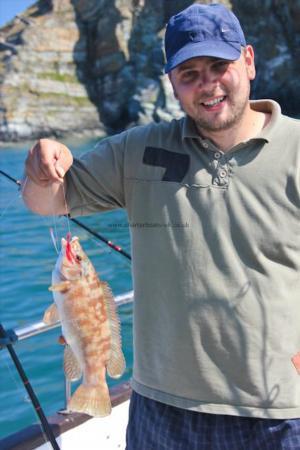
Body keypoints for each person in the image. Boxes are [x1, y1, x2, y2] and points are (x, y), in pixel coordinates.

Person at [23, 3, 300, 449]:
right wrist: (42, 166)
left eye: (218, 65)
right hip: (161, 410)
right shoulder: (136, 151)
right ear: (171, 82)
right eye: (188, 73)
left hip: (278, 413)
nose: (207, 84)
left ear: (248, 60)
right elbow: (46, 202)